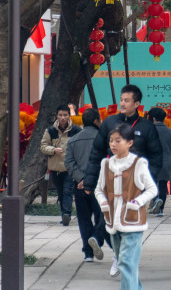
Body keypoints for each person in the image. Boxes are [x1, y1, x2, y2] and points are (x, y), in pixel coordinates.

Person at [95, 123, 158, 288]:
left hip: (132, 221)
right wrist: (104, 203)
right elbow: (99, 190)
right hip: (112, 221)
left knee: (125, 262)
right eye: (111, 141)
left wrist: (137, 203)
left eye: (118, 141)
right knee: (126, 263)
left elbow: (152, 189)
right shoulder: (106, 165)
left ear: (130, 142)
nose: (113, 144)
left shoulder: (138, 164)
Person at [84, 84, 163, 197]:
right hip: (111, 182)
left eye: (126, 101)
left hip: (135, 185)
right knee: (108, 214)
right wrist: (89, 182)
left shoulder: (147, 127)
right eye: (121, 100)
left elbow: (155, 157)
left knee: (132, 214)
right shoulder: (109, 123)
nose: (122, 103)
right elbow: (96, 153)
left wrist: (146, 182)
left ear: (136, 104)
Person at [65, 107, 108, 262]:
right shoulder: (103, 139)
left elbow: (69, 163)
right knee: (102, 216)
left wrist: (82, 179)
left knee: (83, 218)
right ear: (97, 121)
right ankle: (97, 237)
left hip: (80, 186)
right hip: (99, 185)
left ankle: (88, 253)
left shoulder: (73, 140)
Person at [40, 104, 82, 226]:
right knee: (60, 192)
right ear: (57, 116)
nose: (63, 117)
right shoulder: (50, 130)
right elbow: (43, 146)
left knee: (68, 191)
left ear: (69, 116)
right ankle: (64, 213)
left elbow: (80, 145)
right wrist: (53, 150)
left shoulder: (76, 130)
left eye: (65, 115)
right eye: (60, 115)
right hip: (55, 168)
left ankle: (67, 214)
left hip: (70, 168)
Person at [148, 107, 171, 217]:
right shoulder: (169, 132)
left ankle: (156, 200)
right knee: (163, 186)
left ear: (153, 118)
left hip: (152, 163)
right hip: (165, 162)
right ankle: (161, 210)